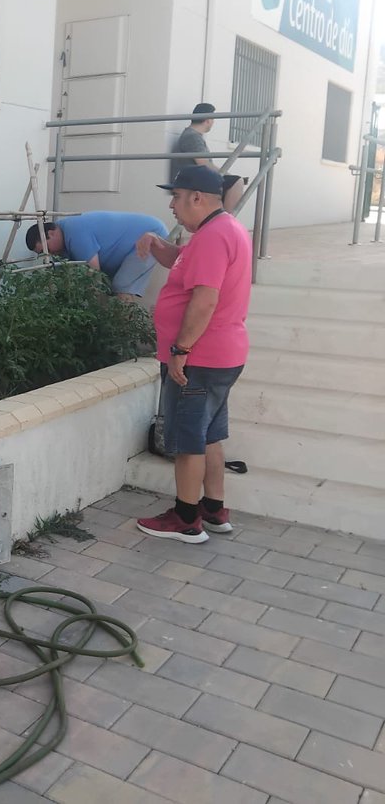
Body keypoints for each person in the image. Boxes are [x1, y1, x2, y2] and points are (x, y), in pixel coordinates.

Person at [134, 165, 252, 544]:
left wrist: (181, 350)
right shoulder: (219, 230)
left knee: (187, 440)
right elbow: (182, 262)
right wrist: (156, 243)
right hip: (221, 355)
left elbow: (205, 298)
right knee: (209, 436)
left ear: (197, 198)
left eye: (177, 196)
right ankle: (213, 509)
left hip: (200, 358)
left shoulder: (214, 236)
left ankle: (186, 519)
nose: (171, 205)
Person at [25, 211, 168, 301]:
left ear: (51, 234)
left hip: (149, 236)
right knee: (114, 287)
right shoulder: (63, 239)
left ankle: (120, 339)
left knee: (121, 286)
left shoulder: (75, 232)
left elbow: (94, 276)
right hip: (142, 237)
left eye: (47, 249)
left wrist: (97, 316)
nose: (49, 254)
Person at [170, 103, 244, 214]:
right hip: (194, 180)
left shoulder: (193, 135)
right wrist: (226, 174)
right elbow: (203, 163)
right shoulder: (192, 136)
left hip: (195, 178)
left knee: (234, 181)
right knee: (237, 181)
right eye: (213, 119)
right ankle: (225, 222)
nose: (213, 123)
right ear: (208, 120)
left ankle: (223, 220)